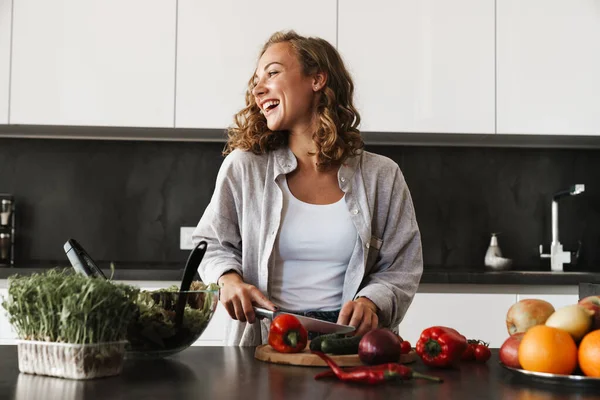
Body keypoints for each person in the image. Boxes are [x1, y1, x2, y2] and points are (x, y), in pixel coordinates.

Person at [192, 30, 423, 346]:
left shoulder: (382, 176)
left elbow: (401, 267)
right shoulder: (244, 167)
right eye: (256, 80)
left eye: (272, 72)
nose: (258, 89)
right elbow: (210, 242)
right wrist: (228, 279)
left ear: (317, 80)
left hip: (351, 345)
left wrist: (371, 302)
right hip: (266, 340)